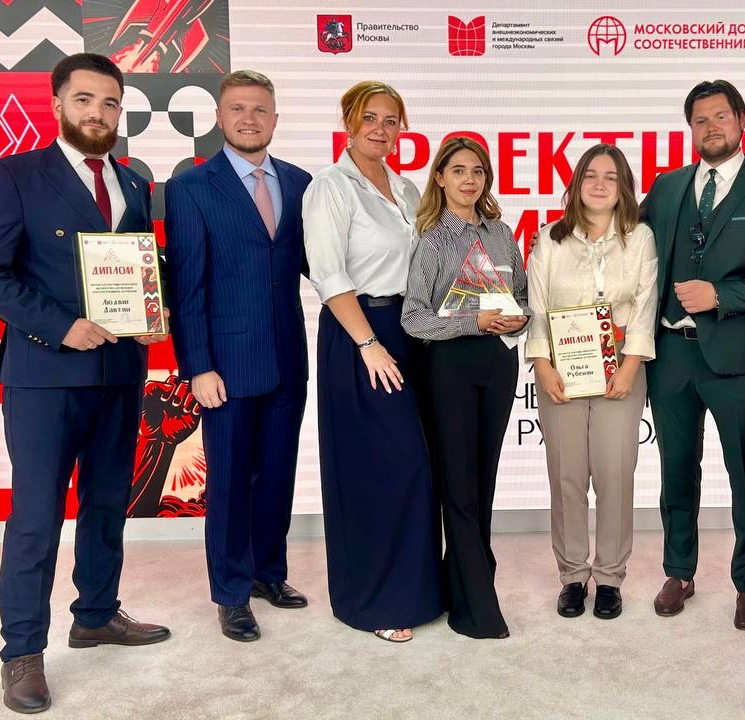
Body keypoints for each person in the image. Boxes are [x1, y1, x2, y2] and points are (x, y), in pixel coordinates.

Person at [0, 53, 171, 714]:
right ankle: (21, 652)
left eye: (110, 103)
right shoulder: (15, 175)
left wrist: (152, 311)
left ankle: (97, 615)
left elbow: (137, 266)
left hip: (119, 373)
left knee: (107, 503)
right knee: (36, 515)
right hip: (46, 376)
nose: (98, 114)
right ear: (57, 104)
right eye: (85, 100)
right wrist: (62, 326)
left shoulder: (133, 182)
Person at [163, 70, 312, 643]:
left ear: (275, 118)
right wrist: (197, 366)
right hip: (224, 364)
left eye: (259, 109)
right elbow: (188, 287)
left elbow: (318, 265)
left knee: (276, 474)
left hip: (287, 357)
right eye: (237, 109)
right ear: (220, 117)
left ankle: (268, 573)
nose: (249, 119)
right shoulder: (191, 188)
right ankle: (230, 594)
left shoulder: (299, 182)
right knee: (228, 483)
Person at [641, 80, 745, 629]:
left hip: (735, 358)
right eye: (700, 119)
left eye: (721, 117)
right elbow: (629, 248)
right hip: (670, 354)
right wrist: (562, 238)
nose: (711, 127)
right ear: (690, 128)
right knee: (676, 468)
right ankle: (678, 571)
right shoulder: (666, 187)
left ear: (741, 121)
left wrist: (720, 296)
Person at [302, 81, 442, 643]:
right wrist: (367, 344)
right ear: (348, 122)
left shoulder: (406, 189)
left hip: (409, 330)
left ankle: (415, 592)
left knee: (417, 465)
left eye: (391, 120)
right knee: (378, 468)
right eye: (370, 118)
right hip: (358, 333)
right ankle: (373, 601)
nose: (381, 130)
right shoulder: (330, 187)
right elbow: (328, 274)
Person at [401, 137, 529, 639]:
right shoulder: (433, 240)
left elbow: (522, 297)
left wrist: (519, 318)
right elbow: (414, 317)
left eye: (477, 171)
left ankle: (463, 588)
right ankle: (477, 605)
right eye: (458, 171)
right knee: (457, 485)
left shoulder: (501, 234)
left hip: (498, 364)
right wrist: (472, 321)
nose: (469, 180)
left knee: (483, 481)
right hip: (449, 366)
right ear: (440, 178)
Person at [525, 144, 658, 620]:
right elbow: (537, 305)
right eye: (590, 175)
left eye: (610, 176)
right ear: (576, 183)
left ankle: (609, 577)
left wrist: (631, 365)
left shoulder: (639, 237)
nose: (600, 184)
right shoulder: (550, 239)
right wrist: (542, 365)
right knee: (567, 474)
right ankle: (572, 575)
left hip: (621, 363)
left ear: (624, 187)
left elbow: (645, 302)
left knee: (614, 472)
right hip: (561, 365)